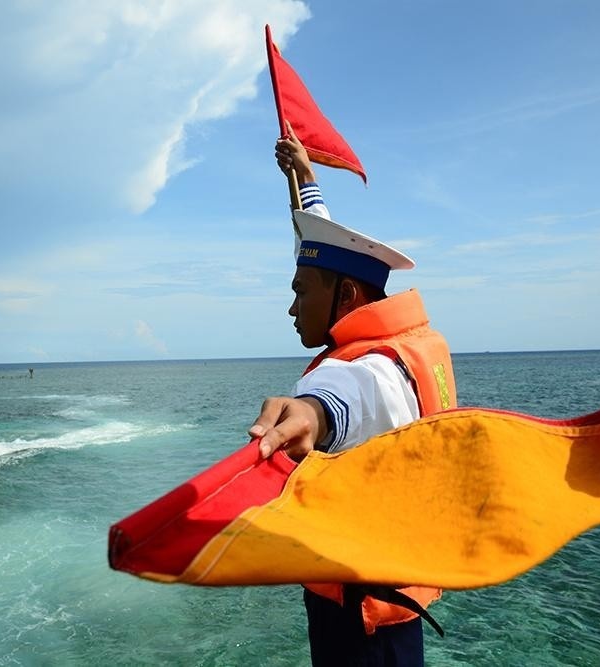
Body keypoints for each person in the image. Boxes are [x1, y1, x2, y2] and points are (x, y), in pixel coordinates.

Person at [247, 127, 457, 666]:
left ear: (346, 295)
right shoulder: (411, 344)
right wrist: (305, 178)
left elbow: (352, 400)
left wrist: (309, 414)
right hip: (393, 591)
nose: (291, 308)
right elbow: (321, 247)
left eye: (300, 291)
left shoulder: (377, 369)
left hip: (363, 615)